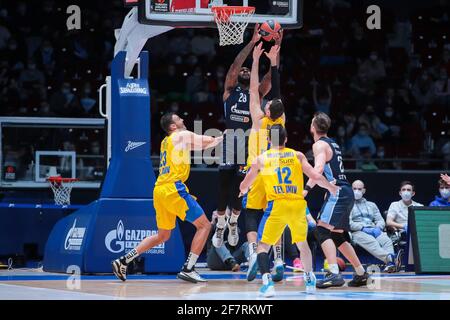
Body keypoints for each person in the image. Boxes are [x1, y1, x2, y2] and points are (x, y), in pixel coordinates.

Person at [112, 112, 223, 283]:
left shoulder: (167, 141)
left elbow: (199, 146)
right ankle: (189, 268)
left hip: (159, 190)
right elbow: (204, 140)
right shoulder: (180, 135)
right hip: (173, 189)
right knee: (205, 226)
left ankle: (124, 260)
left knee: (163, 236)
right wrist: (222, 137)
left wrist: (216, 142)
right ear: (173, 126)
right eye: (179, 119)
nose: (183, 120)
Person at [240, 125, 339, 297]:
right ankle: (309, 278)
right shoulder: (297, 155)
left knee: (262, 246)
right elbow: (315, 176)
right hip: (297, 205)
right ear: (286, 139)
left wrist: (243, 189)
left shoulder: (262, 159)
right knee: (303, 245)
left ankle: (267, 284)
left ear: (269, 140)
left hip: (276, 206)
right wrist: (330, 187)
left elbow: (244, 184)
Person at [213, 24, 272, 249]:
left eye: (249, 70)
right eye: (243, 71)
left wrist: (275, 51)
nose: (245, 70)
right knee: (223, 186)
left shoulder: (257, 94)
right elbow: (235, 65)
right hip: (231, 141)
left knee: (240, 187)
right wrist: (252, 42)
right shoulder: (230, 89)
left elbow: (270, 76)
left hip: (249, 144)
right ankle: (220, 223)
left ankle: (234, 221)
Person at [304, 112, 370, 289]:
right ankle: (361, 273)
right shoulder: (333, 143)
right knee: (336, 235)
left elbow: (317, 170)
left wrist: (310, 186)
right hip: (345, 191)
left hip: (338, 192)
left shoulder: (318, 144)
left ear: (313, 127)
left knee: (321, 231)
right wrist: (312, 187)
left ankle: (333, 273)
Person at [242, 42, 286, 283]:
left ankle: (252, 255)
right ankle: (278, 258)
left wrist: (257, 60)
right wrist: (275, 62)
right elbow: (277, 90)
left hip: (257, 170)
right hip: (276, 172)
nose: (267, 101)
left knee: (251, 213)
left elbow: (253, 89)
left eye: (267, 103)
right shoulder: (282, 120)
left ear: (268, 110)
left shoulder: (259, 119)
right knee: (273, 216)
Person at [349, 180, 400, 273]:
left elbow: (380, 220)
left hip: (374, 229)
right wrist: (362, 228)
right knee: (372, 242)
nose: (357, 191)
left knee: (387, 241)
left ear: (363, 191)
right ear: (351, 190)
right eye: (354, 189)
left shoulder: (371, 205)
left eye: (359, 189)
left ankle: (390, 265)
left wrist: (378, 228)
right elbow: (348, 223)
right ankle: (391, 259)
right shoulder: (347, 204)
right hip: (358, 232)